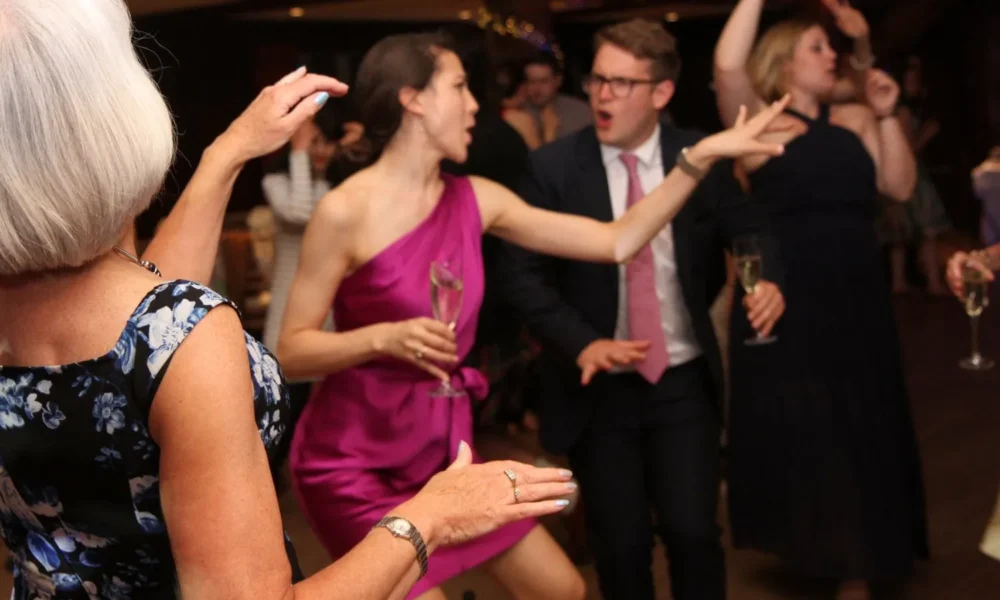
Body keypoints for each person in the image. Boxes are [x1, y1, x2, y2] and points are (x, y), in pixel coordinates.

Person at [0, 2, 579, 598]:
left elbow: (142, 318)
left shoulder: (104, 318)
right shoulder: (191, 336)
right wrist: (431, 516)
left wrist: (230, 150)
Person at [277, 30, 789, 600]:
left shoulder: (477, 198)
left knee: (563, 588)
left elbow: (617, 241)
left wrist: (698, 160)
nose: (475, 105)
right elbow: (291, 351)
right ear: (413, 100)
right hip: (353, 462)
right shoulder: (344, 211)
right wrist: (382, 338)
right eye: (460, 87)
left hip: (443, 453)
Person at [500, 19, 787, 600]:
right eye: (597, 80)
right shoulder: (554, 168)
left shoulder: (697, 156)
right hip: (598, 389)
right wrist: (582, 341)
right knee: (621, 545)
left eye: (622, 83)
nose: (602, 96)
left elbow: (750, 229)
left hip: (682, 380)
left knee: (693, 533)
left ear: (662, 92)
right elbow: (521, 276)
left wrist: (764, 282)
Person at [714, 1, 929, 598]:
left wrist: (886, 115)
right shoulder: (762, 126)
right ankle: (831, 557)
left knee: (862, 422)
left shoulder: (856, 118)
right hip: (790, 299)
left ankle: (859, 559)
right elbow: (727, 65)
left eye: (831, 47)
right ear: (783, 64)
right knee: (813, 428)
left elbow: (900, 186)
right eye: (816, 47)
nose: (830, 55)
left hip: (857, 295)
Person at [522, 52, 593, 141]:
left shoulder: (582, 112)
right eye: (531, 82)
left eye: (543, 81)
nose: (537, 89)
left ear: (558, 81)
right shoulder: (518, 113)